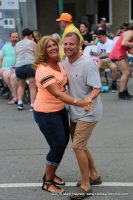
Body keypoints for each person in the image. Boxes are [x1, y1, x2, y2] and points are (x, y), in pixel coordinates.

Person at [33, 36, 93, 194]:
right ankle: (47, 181)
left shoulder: (59, 62)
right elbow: (57, 94)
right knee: (57, 145)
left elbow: (63, 83)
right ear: (42, 50)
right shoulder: (43, 69)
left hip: (59, 110)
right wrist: (80, 102)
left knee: (62, 142)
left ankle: (50, 173)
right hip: (45, 113)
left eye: (54, 45)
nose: (53, 48)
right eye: (48, 46)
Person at [63, 32, 103, 200]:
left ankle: (86, 185)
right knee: (82, 145)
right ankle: (94, 175)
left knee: (78, 146)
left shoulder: (87, 64)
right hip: (74, 111)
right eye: (65, 44)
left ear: (79, 45)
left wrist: (88, 99)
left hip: (89, 111)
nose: (67, 47)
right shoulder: (65, 61)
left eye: (71, 44)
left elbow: (97, 87)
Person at [15, 28, 37, 111]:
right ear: (30, 35)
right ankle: (32, 105)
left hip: (19, 65)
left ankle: (20, 103)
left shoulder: (17, 44)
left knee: (21, 85)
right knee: (32, 86)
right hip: (30, 65)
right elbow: (36, 55)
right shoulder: (32, 43)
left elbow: (16, 56)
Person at [109, 29, 133, 99]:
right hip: (117, 54)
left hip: (122, 54)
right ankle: (121, 93)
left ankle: (125, 91)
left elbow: (128, 48)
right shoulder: (131, 33)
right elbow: (123, 43)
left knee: (128, 72)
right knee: (126, 72)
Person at [0, 31, 19, 103]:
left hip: (15, 67)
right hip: (6, 67)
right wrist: (1, 66)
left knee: (5, 74)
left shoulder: (20, 46)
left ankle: (12, 93)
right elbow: (1, 58)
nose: (15, 39)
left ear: (18, 38)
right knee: (2, 71)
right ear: (10, 38)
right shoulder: (6, 46)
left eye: (16, 37)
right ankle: (12, 92)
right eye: (13, 37)